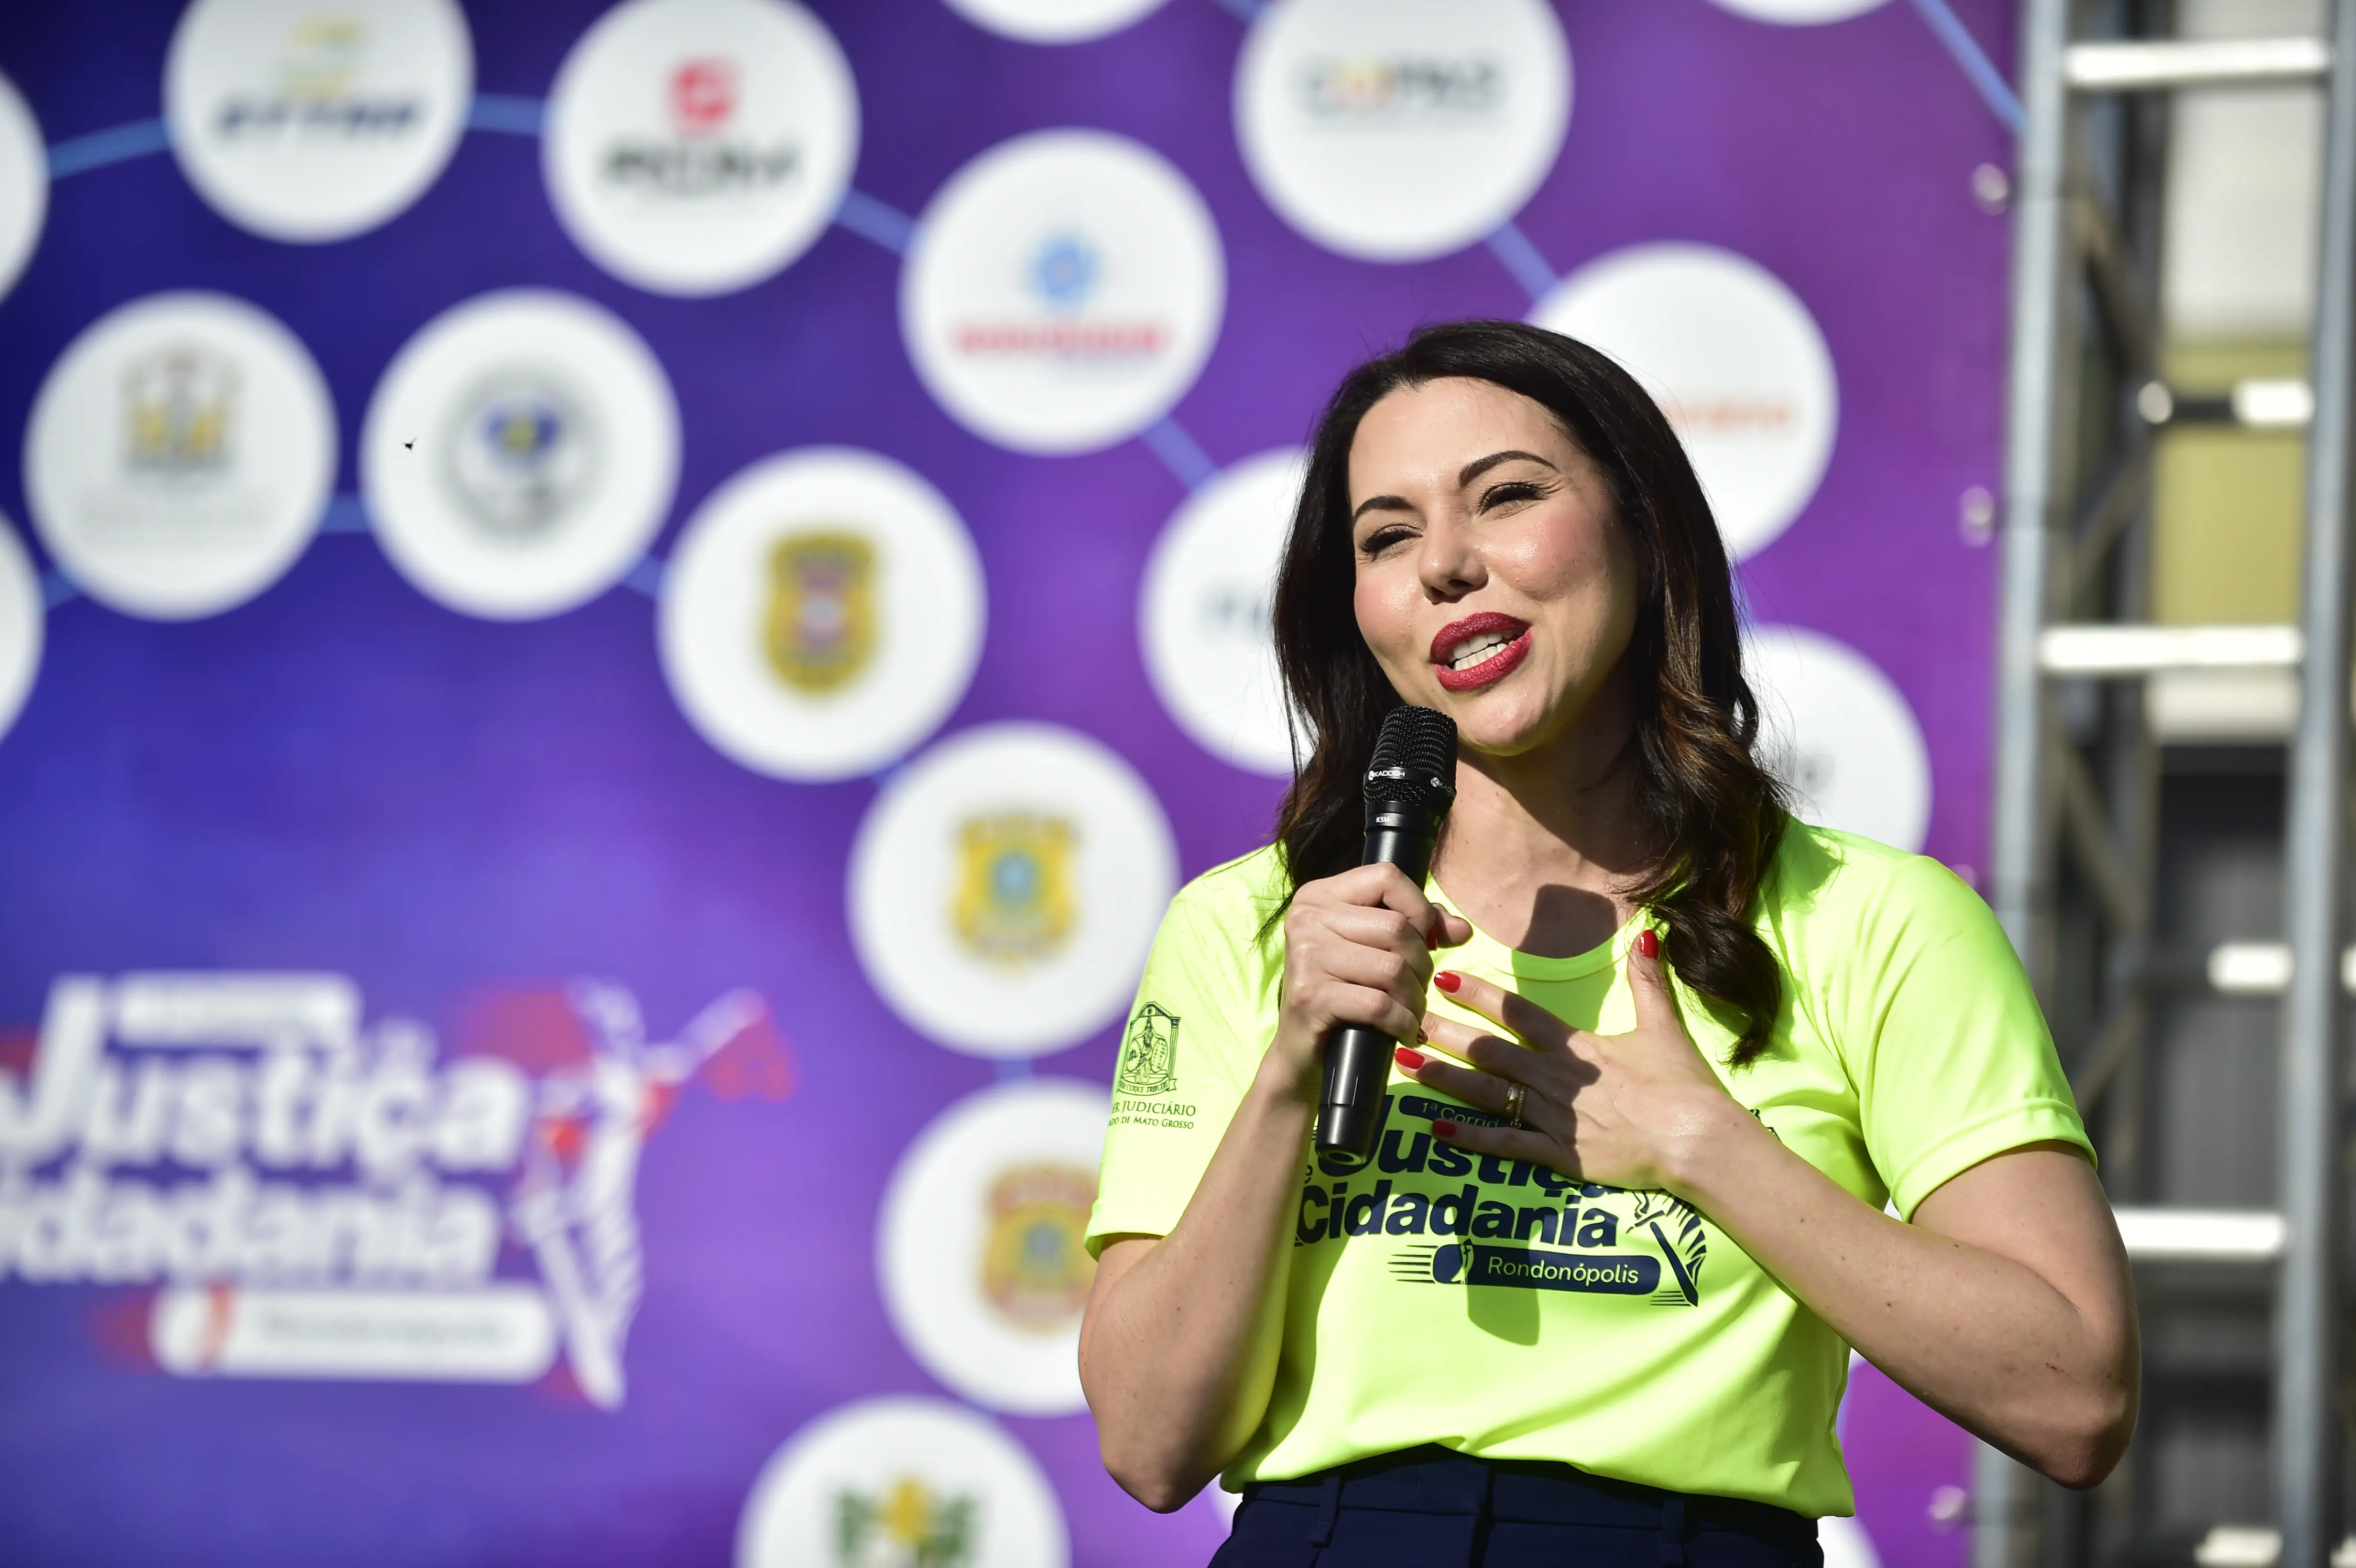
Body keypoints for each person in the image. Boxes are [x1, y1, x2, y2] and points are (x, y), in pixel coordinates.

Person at [1078, 320, 2138, 1566]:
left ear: (1645, 531)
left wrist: (1702, 1149)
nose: (1446, 567)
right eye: (1386, 537)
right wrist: (1286, 1076)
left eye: (1507, 497)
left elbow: (2076, 1395)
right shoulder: (1252, 930)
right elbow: (1149, 1445)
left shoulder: (1874, 921)